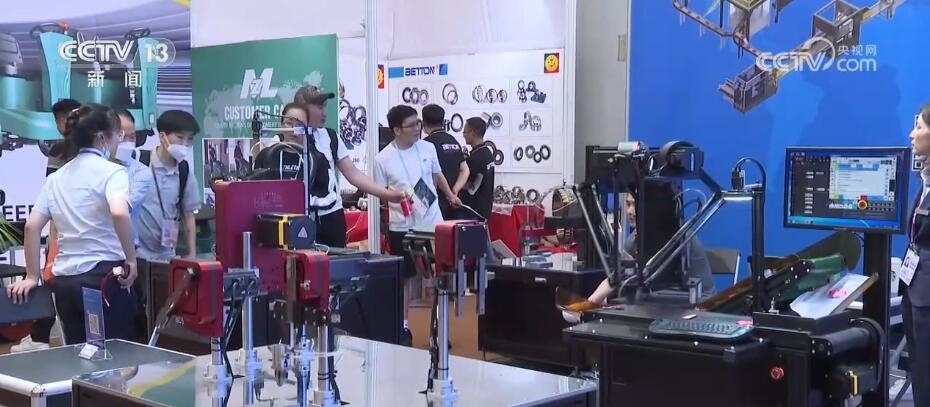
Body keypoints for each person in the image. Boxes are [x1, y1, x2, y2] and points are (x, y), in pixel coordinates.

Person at [6, 103, 139, 344]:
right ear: (102, 137)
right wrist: (131, 259)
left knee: (78, 353)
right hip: (103, 278)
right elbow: (119, 213)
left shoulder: (56, 178)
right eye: (116, 134)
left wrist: (32, 276)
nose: (119, 140)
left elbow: (32, 227)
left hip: (65, 283)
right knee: (114, 353)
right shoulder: (113, 172)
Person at [374, 105, 462, 346]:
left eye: (418, 123)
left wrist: (450, 194)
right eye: (411, 125)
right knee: (405, 279)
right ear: (396, 130)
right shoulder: (382, 159)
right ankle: (403, 327)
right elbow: (381, 192)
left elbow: (437, 175)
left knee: (439, 277)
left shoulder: (428, 148)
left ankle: (439, 328)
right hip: (403, 226)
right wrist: (399, 198)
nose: (417, 128)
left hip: (433, 223)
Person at [563, 193, 715, 314]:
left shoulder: (683, 240)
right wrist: (590, 303)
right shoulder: (632, 242)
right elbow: (617, 278)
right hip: (654, 311)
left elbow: (704, 298)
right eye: (628, 204)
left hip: (696, 311)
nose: (629, 211)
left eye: (635, 205)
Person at [11, 98, 82, 352]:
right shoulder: (59, 153)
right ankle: (41, 337)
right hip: (64, 234)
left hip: (77, 239)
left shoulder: (100, 160)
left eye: (67, 117)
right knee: (56, 285)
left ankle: (41, 337)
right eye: (60, 119)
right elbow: (48, 208)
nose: (64, 124)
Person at [301, 93, 405, 247]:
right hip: (299, 215)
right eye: (318, 107)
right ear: (302, 109)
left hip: (331, 215)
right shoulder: (284, 140)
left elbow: (353, 173)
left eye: (325, 106)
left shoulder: (331, 136)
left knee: (336, 260)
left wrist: (387, 194)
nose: (324, 112)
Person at [136, 110, 201, 261]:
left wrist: (191, 254)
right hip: (137, 254)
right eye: (179, 137)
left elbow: (188, 215)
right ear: (162, 137)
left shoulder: (184, 170)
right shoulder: (139, 161)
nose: (185, 144)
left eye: (190, 139)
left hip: (167, 255)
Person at [903, 102, 930, 406]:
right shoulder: (925, 180)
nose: (912, 134)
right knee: (921, 375)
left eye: (919, 127)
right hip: (915, 290)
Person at [422, 104, 468, 219]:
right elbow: (465, 170)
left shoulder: (425, 144)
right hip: (454, 201)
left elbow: (435, 173)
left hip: (435, 202)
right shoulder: (453, 140)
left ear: (424, 123)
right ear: (443, 121)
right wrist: (455, 190)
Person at [460, 117, 495, 220]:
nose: (463, 135)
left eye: (465, 132)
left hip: (472, 212)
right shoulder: (487, 152)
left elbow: (470, 186)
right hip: (484, 210)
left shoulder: (476, 158)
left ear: (472, 133)